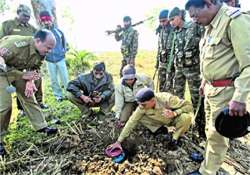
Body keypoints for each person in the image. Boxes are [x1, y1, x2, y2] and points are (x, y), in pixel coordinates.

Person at [185, 0, 250, 174]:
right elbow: (213, 60)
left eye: (195, 15)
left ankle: (207, 171)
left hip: (226, 92)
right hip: (211, 90)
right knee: (210, 130)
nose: (193, 20)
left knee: (217, 136)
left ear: (207, 3)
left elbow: (249, 64)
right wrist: (204, 81)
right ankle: (209, 159)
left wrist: (239, 98)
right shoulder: (210, 26)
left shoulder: (234, 20)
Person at [0, 29, 58, 156]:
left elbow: (35, 67)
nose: (49, 51)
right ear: (38, 41)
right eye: (48, 48)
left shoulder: (41, 51)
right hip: (1, 73)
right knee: (5, 105)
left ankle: (41, 126)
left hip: (18, 72)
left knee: (29, 95)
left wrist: (30, 81)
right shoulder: (15, 44)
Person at [0, 4, 48, 115]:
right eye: (24, 15)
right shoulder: (8, 25)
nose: (27, 18)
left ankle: (39, 102)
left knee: (36, 79)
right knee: (17, 83)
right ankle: (21, 108)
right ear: (18, 13)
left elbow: (39, 40)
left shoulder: (31, 28)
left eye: (29, 16)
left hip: (28, 60)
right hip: (10, 61)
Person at [114, 87, 193, 150]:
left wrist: (175, 113)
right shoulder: (142, 107)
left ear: (152, 100)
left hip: (174, 119)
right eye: (140, 104)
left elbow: (189, 106)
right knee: (139, 117)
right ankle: (160, 130)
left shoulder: (167, 99)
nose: (141, 107)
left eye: (143, 105)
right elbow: (131, 122)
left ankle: (175, 138)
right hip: (159, 122)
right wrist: (118, 141)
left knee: (186, 118)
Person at [39, 11, 69, 102]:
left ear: (51, 19)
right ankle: (58, 96)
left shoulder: (58, 31)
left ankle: (69, 94)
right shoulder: (41, 33)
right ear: (41, 21)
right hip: (49, 60)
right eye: (44, 20)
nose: (46, 22)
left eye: (48, 20)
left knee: (65, 77)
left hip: (60, 58)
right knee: (53, 79)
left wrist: (63, 52)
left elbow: (65, 44)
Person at [155, 9, 175, 92]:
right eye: (160, 22)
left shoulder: (174, 30)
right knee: (161, 86)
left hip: (172, 64)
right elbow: (159, 48)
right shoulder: (160, 31)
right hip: (162, 63)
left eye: (164, 21)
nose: (162, 23)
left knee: (170, 87)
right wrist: (157, 63)